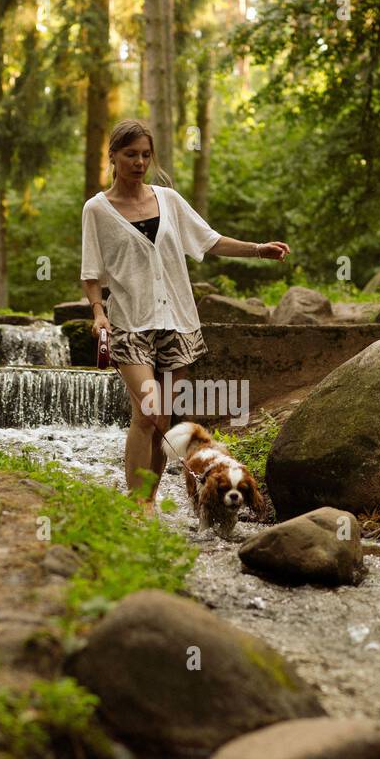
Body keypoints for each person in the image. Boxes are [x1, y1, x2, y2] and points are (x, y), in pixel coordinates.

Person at [80, 118, 290, 513]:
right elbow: (91, 272)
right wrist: (98, 312)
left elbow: (209, 241)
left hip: (178, 321)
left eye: (145, 154)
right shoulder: (98, 209)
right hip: (130, 322)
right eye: (130, 155)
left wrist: (259, 249)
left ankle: (152, 498)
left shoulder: (169, 200)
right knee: (147, 413)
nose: (139, 162)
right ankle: (138, 504)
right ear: (112, 156)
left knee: (170, 419)